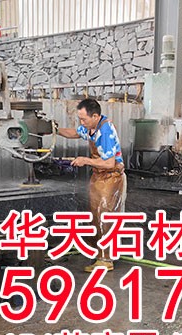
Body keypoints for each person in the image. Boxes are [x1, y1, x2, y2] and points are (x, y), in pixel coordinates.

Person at [57, 98, 127, 272]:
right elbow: (74, 133)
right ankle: (96, 251)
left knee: (105, 216)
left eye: (84, 119)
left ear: (95, 116)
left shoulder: (105, 131)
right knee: (95, 215)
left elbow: (110, 163)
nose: (81, 122)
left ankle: (106, 259)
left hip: (111, 177)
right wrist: (54, 130)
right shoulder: (91, 128)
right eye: (80, 119)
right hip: (98, 176)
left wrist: (85, 160)